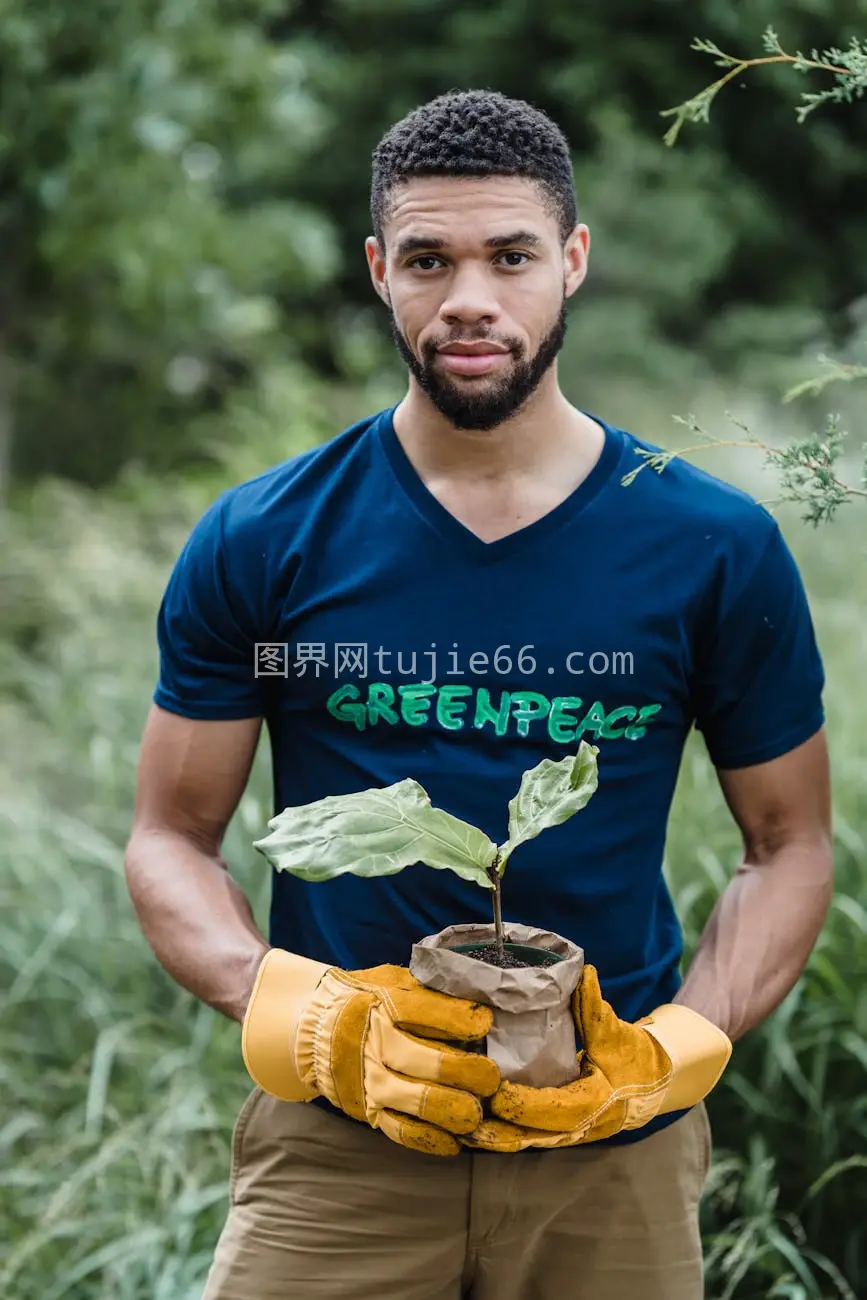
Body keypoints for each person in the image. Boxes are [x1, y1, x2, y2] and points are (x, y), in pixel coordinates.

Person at [124, 90, 834, 1300]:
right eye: (428, 259)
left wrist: (675, 1049)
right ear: (378, 271)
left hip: (611, 1153)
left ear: (572, 260)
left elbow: (793, 843)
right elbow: (170, 838)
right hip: (340, 1146)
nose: (470, 298)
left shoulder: (713, 546)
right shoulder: (266, 535)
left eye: (510, 256)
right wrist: (303, 1017)